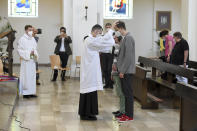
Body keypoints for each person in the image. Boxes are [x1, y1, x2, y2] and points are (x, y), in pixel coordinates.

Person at [79, 24, 115, 121]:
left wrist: (109, 37)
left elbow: (106, 47)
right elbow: (102, 41)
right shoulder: (89, 40)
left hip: (91, 71)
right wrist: (110, 30)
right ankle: (85, 114)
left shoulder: (92, 40)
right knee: (88, 92)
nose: (100, 35)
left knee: (92, 92)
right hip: (89, 72)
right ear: (95, 31)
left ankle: (90, 113)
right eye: (100, 33)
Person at [115, 21, 135, 122]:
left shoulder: (129, 38)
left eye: (116, 29)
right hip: (124, 70)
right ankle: (126, 114)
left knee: (128, 94)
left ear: (120, 28)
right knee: (125, 92)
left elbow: (128, 57)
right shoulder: (125, 38)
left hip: (126, 71)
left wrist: (122, 70)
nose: (116, 32)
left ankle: (129, 115)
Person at [17, 25, 39, 98]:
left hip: (32, 60)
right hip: (26, 60)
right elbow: (19, 50)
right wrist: (28, 53)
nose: (31, 31)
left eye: (32, 30)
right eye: (29, 30)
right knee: (26, 76)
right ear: (26, 30)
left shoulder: (32, 39)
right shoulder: (22, 39)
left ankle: (32, 92)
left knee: (32, 76)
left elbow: (35, 48)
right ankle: (25, 93)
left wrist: (34, 53)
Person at [111, 32, 125, 118]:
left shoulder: (121, 47)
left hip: (119, 72)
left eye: (115, 38)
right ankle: (120, 109)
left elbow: (120, 61)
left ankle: (123, 111)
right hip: (115, 72)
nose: (114, 39)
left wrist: (119, 71)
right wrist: (112, 73)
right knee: (118, 92)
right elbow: (114, 61)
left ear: (119, 38)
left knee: (121, 92)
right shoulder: (116, 47)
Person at [100, 23, 114, 89]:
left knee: (109, 69)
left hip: (110, 54)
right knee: (104, 69)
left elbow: (113, 43)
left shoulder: (113, 34)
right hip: (103, 54)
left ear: (111, 27)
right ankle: (106, 83)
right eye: (107, 27)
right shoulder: (104, 35)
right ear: (105, 28)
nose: (108, 28)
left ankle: (110, 83)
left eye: (109, 27)